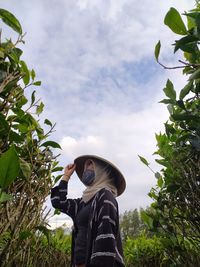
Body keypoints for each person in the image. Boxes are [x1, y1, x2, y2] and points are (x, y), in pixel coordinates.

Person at [51, 155, 126, 267]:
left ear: (102, 170)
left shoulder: (105, 196)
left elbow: (105, 240)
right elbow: (59, 202)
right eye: (86, 166)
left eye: (91, 165)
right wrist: (66, 176)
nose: (86, 170)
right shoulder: (83, 202)